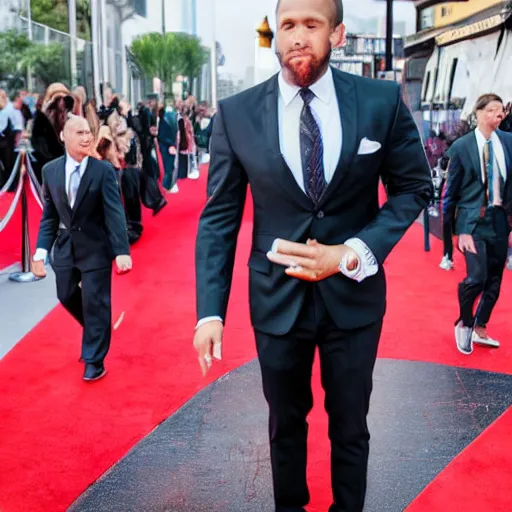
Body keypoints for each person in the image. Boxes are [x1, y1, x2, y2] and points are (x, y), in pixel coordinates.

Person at [193, 0, 431, 510]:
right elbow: (219, 218)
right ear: (275, 36)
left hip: (354, 297)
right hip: (276, 301)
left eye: (311, 24)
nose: (298, 36)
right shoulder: (236, 114)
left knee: (351, 425)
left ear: (337, 34)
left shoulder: (380, 101)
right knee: (284, 426)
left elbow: (413, 187)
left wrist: (354, 251)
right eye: (287, 26)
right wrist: (209, 311)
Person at [31, 115, 132, 381]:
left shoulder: (103, 171)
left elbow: (114, 213)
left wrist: (121, 250)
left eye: (89, 132)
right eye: (79, 133)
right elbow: (50, 215)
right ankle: (95, 329)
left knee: (95, 302)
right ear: (64, 137)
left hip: (96, 247)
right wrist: (40, 252)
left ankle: (94, 359)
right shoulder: (50, 171)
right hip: (65, 248)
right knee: (65, 295)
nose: (87, 137)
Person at [444, 93, 512, 355]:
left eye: (501, 111)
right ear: (480, 113)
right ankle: (464, 321)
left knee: (494, 280)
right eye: (493, 110)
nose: (499, 115)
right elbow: (451, 193)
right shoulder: (461, 147)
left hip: (499, 219)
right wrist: (454, 234)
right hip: (472, 223)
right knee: (476, 277)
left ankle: (481, 325)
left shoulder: (507, 142)